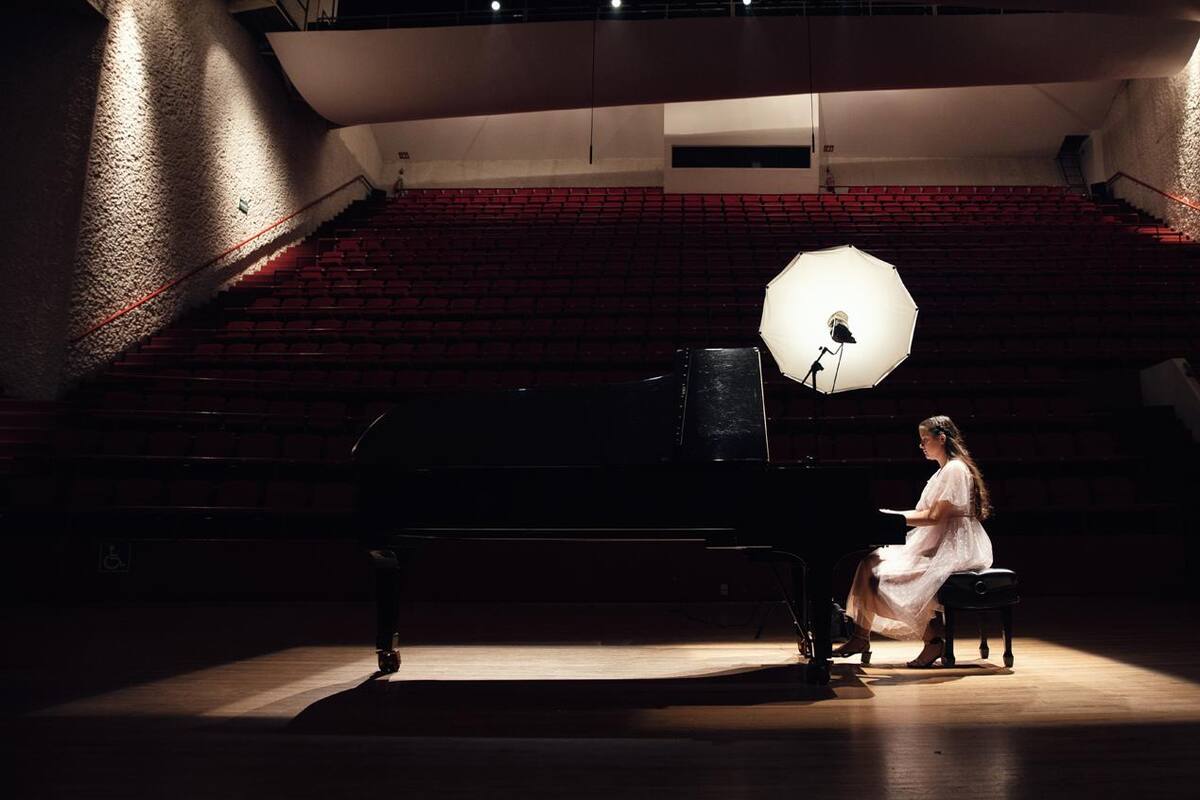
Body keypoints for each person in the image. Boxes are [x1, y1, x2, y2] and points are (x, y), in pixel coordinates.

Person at [833, 415, 994, 667]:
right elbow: (926, 514)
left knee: (884, 579)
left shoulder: (954, 469)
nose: (921, 446)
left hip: (953, 546)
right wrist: (887, 516)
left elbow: (934, 516)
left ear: (941, 439)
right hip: (936, 541)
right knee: (870, 562)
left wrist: (893, 519)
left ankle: (932, 643)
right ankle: (860, 637)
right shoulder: (942, 471)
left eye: (925, 440)